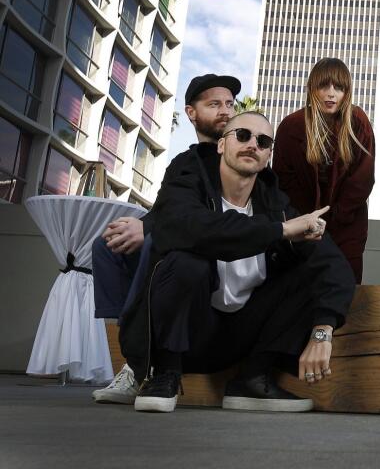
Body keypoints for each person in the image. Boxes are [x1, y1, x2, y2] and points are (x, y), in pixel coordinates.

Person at [116, 111, 356, 413]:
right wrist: (279, 232)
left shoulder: (275, 205)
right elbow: (188, 227)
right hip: (186, 335)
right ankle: (164, 373)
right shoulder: (188, 183)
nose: (252, 144)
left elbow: (335, 266)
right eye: (242, 135)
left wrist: (323, 330)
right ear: (221, 145)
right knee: (186, 261)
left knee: (308, 272)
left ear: (268, 154)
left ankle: (253, 378)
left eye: (263, 141)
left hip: (239, 339)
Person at [92, 73, 239, 403]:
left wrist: (149, 230)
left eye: (229, 104)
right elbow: (169, 205)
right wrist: (141, 226)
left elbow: (206, 214)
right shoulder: (184, 161)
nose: (226, 111)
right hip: (177, 232)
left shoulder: (240, 151)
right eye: (214, 104)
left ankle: (145, 360)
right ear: (191, 112)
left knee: (156, 248)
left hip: (213, 251)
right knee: (107, 246)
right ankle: (134, 359)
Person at [273, 58, 375, 284]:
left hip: (348, 224)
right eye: (324, 86)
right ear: (312, 89)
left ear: (347, 92)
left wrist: (338, 216)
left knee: (346, 286)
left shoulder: (357, 121)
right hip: (304, 225)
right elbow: (283, 180)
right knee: (301, 287)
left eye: (339, 87)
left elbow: (363, 178)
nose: (331, 94)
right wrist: (306, 220)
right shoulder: (291, 126)